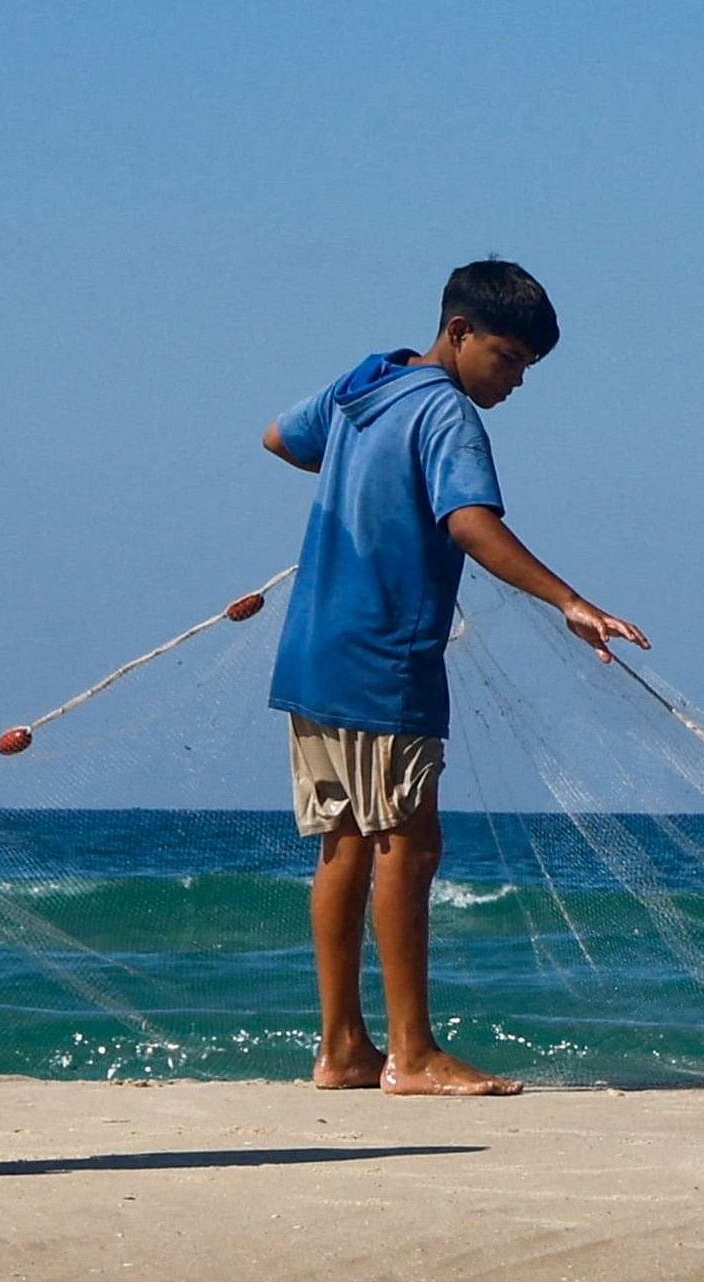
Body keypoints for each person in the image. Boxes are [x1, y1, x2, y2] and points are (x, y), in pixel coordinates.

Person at [258, 259, 647, 1096]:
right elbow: (470, 523)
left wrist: (368, 490)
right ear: (460, 334)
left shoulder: (369, 381)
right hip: (385, 655)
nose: (512, 381)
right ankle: (414, 1053)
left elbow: (282, 437)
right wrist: (569, 601)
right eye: (506, 358)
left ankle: (341, 1049)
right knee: (409, 839)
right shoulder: (446, 414)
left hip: (313, 648)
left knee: (346, 840)